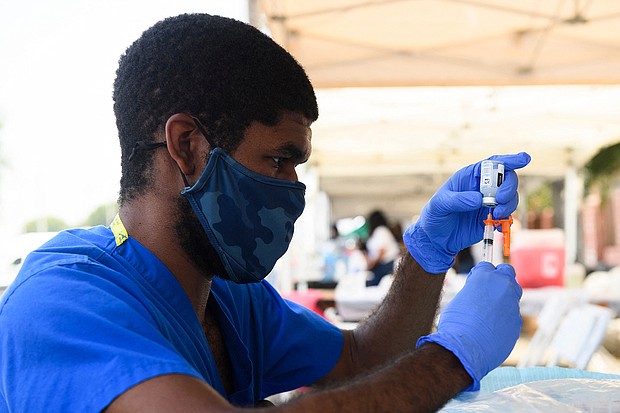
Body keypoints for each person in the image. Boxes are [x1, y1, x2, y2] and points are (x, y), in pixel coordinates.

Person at [0, 13, 531, 412]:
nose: (292, 190)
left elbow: (361, 360)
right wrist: (451, 359)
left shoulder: (232, 299)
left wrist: (426, 251)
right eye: (278, 160)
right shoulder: (64, 300)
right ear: (186, 146)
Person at [363, 210, 401, 286]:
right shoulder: (380, 231)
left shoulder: (381, 230)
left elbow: (382, 251)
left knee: (372, 284)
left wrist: (372, 264)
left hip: (387, 264)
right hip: (383, 264)